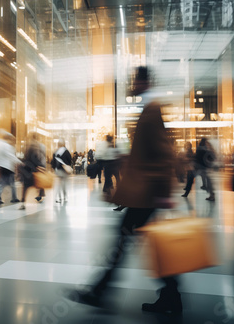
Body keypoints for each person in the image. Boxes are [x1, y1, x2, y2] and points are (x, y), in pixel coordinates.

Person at [67, 67, 182, 314]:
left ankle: (101, 291)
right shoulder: (149, 109)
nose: (133, 85)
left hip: (148, 193)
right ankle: (170, 294)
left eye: (135, 81)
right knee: (138, 241)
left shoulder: (152, 110)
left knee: (123, 240)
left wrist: (163, 192)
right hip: (147, 192)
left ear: (143, 82)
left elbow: (163, 153)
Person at [19, 133, 46, 210]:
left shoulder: (27, 146)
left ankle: (23, 203)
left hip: (27, 169)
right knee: (38, 182)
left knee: (25, 187)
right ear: (37, 138)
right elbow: (35, 159)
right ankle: (40, 196)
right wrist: (41, 166)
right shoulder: (35, 146)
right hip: (33, 170)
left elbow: (24, 158)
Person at [51, 139, 72, 203]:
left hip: (58, 171)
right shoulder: (66, 151)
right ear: (64, 144)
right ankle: (65, 197)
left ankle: (58, 198)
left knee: (58, 184)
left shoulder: (55, 152)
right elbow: (70, 160)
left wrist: (54, 168)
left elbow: (53, 162)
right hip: (64, 171)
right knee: (64, 184)